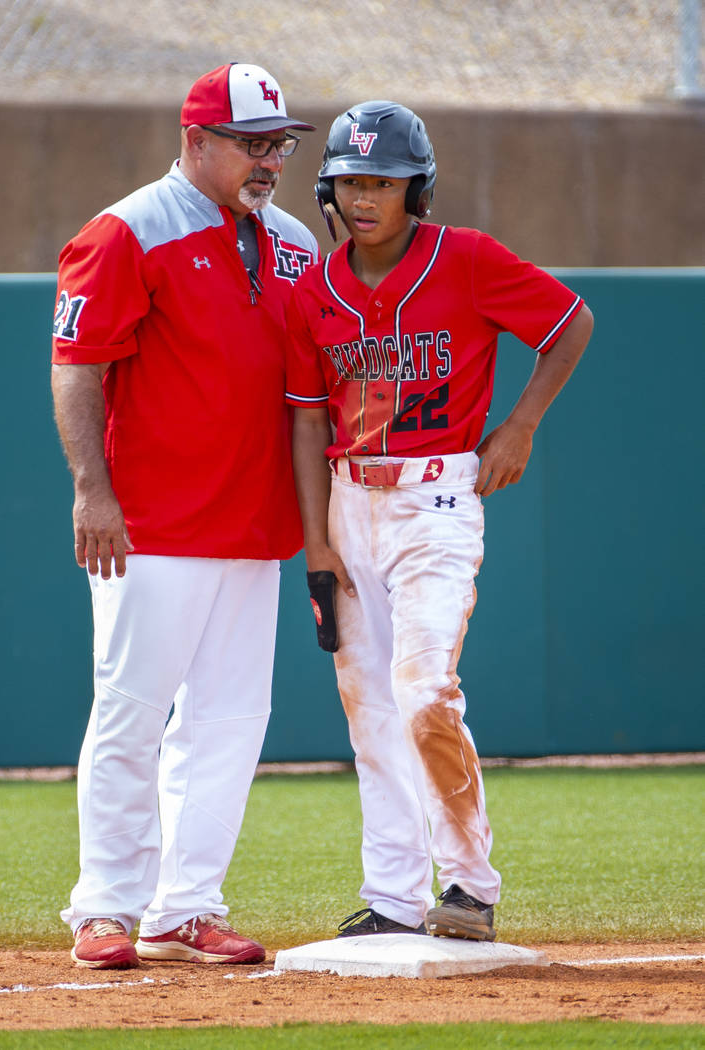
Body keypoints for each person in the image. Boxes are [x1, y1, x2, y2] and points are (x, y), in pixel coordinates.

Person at [286, 101, 593, 943]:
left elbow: (569, 325)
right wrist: (316, 540)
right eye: (348, 182)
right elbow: (309, 421)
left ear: (414, 189)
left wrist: (521, 424)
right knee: (367, 709)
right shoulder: (314, 289)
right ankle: (390, 895)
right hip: (349, 502)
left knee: (422, 695)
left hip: (436, 499)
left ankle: (468, 886)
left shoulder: (465, 259)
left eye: (381, 182)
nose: (362, 198)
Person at [50, 62, 318, 970]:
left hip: (256, 525)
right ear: (194, 140)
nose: (269, 160)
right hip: (151, 525)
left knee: (230, 726)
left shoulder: (289, 240)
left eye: (278, 143)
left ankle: (186, 905)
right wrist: (93, 491)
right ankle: (106, 908)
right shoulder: (127, 228)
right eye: (251, 143)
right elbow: (77, 364)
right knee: (129, 715)